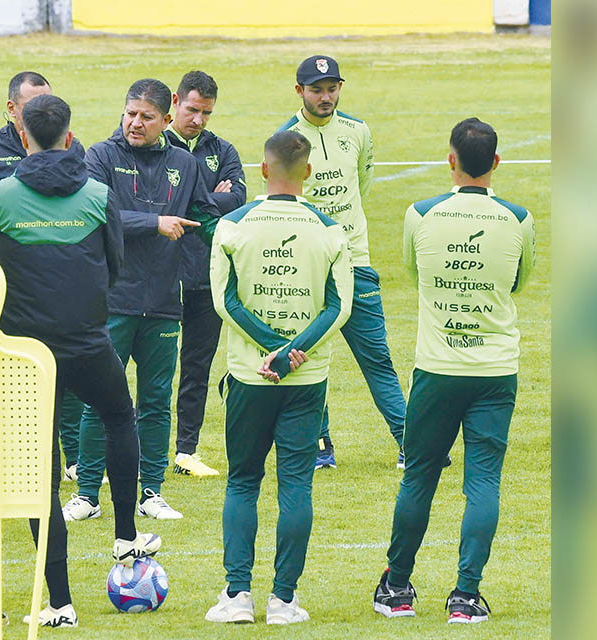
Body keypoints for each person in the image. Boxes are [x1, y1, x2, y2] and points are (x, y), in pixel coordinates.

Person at [0, 94, 162, 628]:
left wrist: (12, 309)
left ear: (22, 133)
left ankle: (59, 601)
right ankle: (126, 535)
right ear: (71, 135)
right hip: (87, 341)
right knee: (119, 416)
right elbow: (115, 266)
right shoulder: (99, 193)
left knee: (41, 469)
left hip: (24, 353)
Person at [372, 118, 536, 624]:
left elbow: (414, 273)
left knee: (419, 476)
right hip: (494, 369)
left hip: (438, 368)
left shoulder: (420, 214)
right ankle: (466, 596)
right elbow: (518, 282)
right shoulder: (518, 218)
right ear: (497, 163)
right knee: (483, 481)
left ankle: (396, 587)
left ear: (450, 160)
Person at [204, 130, 353, 626]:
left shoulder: (231, 226)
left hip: (249, 376)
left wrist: (271, 348)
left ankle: (236, 597)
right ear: (308, 172)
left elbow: (225, 303)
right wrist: (293, 352)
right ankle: (284, 602)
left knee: (243, 481)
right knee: (296, 487)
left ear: (262, 170)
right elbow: (339, 307)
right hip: (305, 380)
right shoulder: (331, 231)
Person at [64, 78, 219, 522]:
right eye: (130, 113)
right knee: (102, 398)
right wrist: (154, 222)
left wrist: (241, 228)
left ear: (166, 121)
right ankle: (88, 494)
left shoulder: (184, 164)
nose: (135, 123)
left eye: (146, 117)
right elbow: (97, 214)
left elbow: (205, 217)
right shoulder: (101, 156)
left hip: (165, 303)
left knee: (155, 401)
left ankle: (151, 491)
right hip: (112, 301)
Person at [277, 54, 405, 469]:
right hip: (308, 269)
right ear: (300, 91)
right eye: (317, 90)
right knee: (307, 360)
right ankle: (320, 448)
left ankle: (410, 444)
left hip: (356, 262)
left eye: (332, 88)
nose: (326, 96)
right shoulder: (285, 140)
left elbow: (361, 185)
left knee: (378, 359)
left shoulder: (358, 131)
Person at [0, 70, 87, 483]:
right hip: (6, 292)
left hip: (59, 286)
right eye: (33, 105)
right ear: (12, 108)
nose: (43, 112)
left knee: (65, 371)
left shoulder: (72, 148)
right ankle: (18, 459)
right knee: (11, 376)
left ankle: (71, 458)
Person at [163, 70, 246, 479]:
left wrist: (190, 201)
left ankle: (186, 452)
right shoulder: (154, 144)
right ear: (175, 102)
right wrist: (212, 197)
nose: (198, 120)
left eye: (206, 113)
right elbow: (150, 201)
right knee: (152, 368)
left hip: (207, 274)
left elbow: (239, 199)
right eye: (192, 110)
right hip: (158, 275)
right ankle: (140, 446)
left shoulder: (222, 149)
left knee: (197, 366)